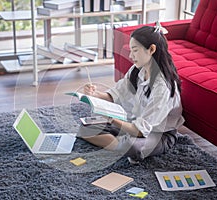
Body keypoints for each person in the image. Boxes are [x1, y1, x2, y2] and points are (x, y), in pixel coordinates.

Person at [77, 24, 185, 163]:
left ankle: (119, 145)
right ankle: (118, 145)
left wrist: (111, 119)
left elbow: (140, 131)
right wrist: (94, 94)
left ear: (151, 49)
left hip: (159, 134)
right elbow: (116, 94)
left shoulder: (162, 87)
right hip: (133, 123)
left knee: (131, 145)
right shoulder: (137, 70)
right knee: (85, 128)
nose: (130, 55)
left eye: (135, 50)